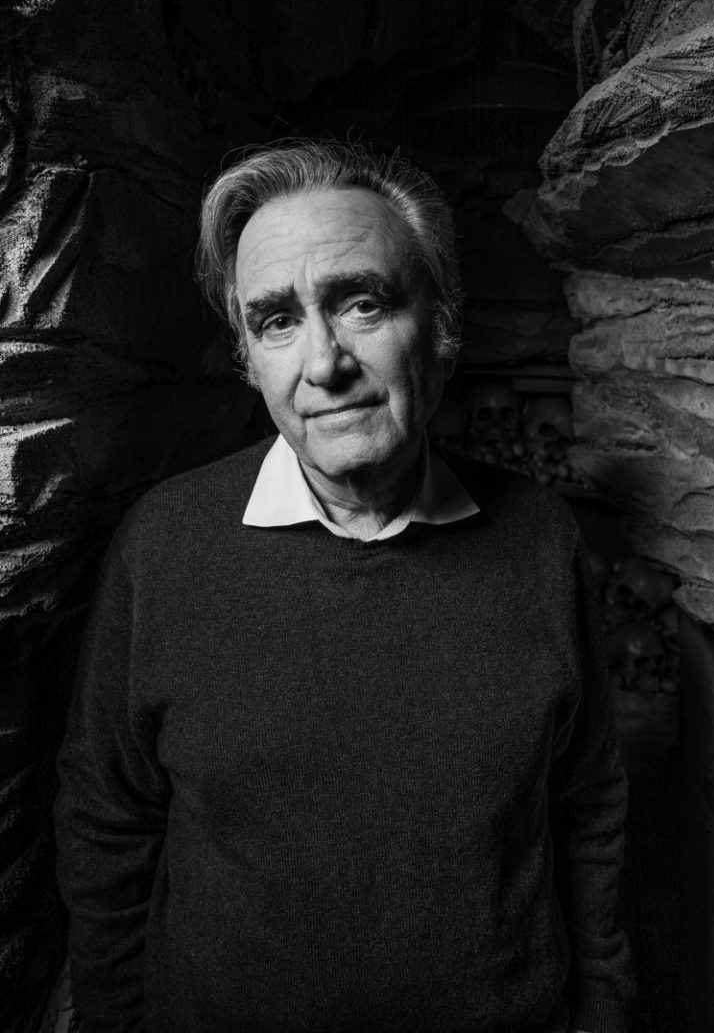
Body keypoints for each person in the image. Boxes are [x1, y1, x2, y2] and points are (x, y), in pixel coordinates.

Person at [55, 141, 631, 1033]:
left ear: (441, 323)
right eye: (276, 321)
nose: (324, 364)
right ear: (248, 357)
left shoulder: (540, 541)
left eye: (362, 303)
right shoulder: (163, 548)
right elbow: (107, 826)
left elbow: (589, 810)